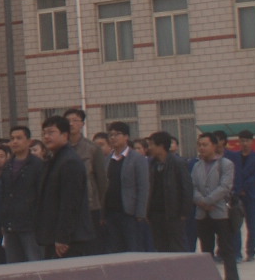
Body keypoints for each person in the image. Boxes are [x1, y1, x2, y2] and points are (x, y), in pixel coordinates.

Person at [34, 115, 95, 258]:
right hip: (54, 235)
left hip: (69, 239)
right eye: (44, 133)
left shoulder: (69, 162)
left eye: (51, 132)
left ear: (65, 135)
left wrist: (63, 237)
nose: (46, 137)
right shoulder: (55, 159)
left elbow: (71, 203)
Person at [192, 132, 240, 280]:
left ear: (214, 146)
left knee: (226, 248)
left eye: (205, 145)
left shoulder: (225, 164)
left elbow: (225, 187)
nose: (201, 148)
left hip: (220, 213)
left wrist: (208, 201)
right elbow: (192, 187)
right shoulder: (197, 166)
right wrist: (201, 202)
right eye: (199, 145)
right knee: (206, 250)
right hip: (202, 213)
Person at [65, 108, 106, 256]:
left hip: (90, 207)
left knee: (91, 248)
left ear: (82, 124)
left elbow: (101, 181)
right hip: (66, 208)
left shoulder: (92, 149)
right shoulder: (59, 149)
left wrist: (101, 208)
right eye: (68, 121)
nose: (71, 124)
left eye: (75, 120)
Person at [103, 122, 150, 253]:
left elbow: (143, 186)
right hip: (111, 212)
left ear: (126, 137)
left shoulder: (137, 159)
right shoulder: (107, 159)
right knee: (114, 249)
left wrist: (140, 213)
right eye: (110, 135)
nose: (113, 138)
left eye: (117, 134)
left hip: (130, 213)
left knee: (132, 248)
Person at [0, 133, 45, 262]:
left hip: (31, 225)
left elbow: (42, 195)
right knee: (14, 264)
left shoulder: (37, 165)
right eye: (12, 138)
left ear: (29, 141)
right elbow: (3, 194)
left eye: (19, 138)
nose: (15, 142)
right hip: (10, 224)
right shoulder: (7, 165)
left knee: (35, 261)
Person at [144, 132, 192, 253]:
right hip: (155, 213)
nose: (149, 148)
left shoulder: (178, 163)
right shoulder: (151, 164)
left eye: (152, 144)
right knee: (160, 247)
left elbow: (186, 188)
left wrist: (184, 212)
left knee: (177, 246)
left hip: (173, 213)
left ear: (161, 146)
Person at [229, 130, 255, 261]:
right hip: (236, 196)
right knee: (235, 224)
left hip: (250, 196)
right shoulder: (234, 157)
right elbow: (232, 174)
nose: (244, 143)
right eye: (242, 141)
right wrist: (237, 190)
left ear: (252, 142)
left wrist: (243, 188)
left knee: (251, 225)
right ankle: (236, 252)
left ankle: (251, 251)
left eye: (247, 141)